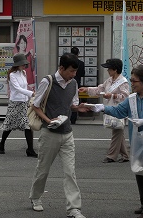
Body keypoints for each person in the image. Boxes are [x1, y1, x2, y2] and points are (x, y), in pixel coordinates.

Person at [90, 65, 143, 218]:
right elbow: (119, 111)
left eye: (135, 81)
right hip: (138, 141)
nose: (132, 83)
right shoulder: (132, 99)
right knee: (139, 172)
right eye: (132, 80)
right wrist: (101, 108)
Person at [29, 53, 89, 218]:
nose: (73, 75)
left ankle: (74, 208)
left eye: (75, 71)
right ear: (61, 68)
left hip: (67, 133)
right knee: (43, 169)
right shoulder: (47, 82)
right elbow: (35, 105)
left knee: (70, 172)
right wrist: (49, 120)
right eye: (71, 71)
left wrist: (79, 108)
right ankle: (35, 197)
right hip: (50, 133)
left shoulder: (73, 83)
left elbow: (71, 104)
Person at [79, 58, 130, 163]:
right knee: (118, 131)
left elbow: (125, 97)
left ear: (115, 70)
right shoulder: (109, 80)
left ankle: (111, 156)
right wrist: (87, 89)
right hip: (111, 109)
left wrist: (112, 95)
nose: (107, 71)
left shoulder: (123, 82)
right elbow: (100, 89)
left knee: (117, 132)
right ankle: (125, 156)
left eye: (109, 69)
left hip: (119, 110)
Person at [0, 53, 37, 158]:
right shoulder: (12, 75)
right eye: (22, 64)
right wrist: (31, 93)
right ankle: (2, 143)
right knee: (9, 125)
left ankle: (30, 150)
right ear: (17, 64)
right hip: (15, 102)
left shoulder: (23, 72)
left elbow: (24, 86)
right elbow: (17, 89)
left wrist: (31, 90)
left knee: (27, 125)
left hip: (24, 102)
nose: (24, 66)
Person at [70, 47, 85, 124]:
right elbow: (83, 74)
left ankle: (67, 117)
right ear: (78, 54)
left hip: (67, 82)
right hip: (77, 83)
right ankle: (73, 118)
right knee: (76, 99)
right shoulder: (81, 63)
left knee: (68, 98)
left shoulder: (68, 63)